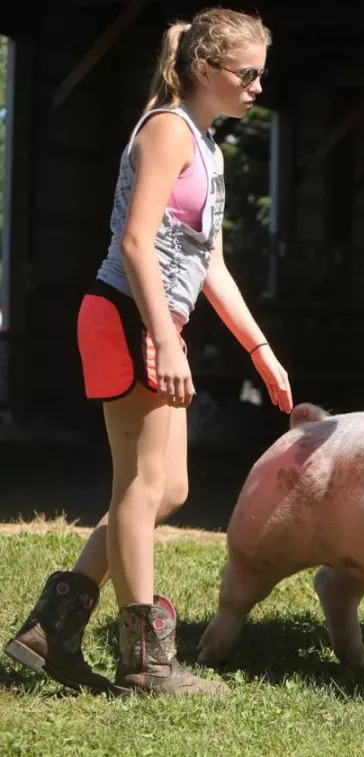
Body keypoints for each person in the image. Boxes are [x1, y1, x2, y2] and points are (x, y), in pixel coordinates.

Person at [4, 7, 292, 695]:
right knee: (138, 486)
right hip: (128, 315)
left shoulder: (209, 148)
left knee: (170, 489)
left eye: (260, 75)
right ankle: (145, 660)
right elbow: (135, 242)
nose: (257, 87)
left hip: (155, 321)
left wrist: (259, 349)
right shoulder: (167, 129)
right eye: (246, 74)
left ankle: (52, 627)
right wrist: (163, 337)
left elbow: (211, 264)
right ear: (204, 69)